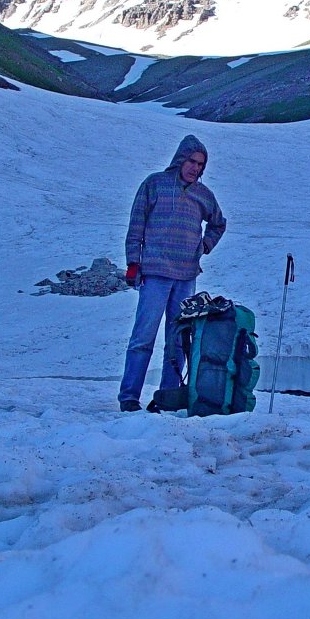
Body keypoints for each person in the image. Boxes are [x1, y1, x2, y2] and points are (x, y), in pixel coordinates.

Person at [118, 135, 226, 412]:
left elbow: (218, 224)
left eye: (200, 164)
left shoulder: (204, 196)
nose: (195, 168)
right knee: (143, 337)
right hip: (155, 272)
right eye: (191, 161)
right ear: (180, 158)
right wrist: (133, 262)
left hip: (186, 275)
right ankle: (129, 397)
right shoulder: (154, 184)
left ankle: (168, 396)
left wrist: (204, 245)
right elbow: (137, 224)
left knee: (177, 341)